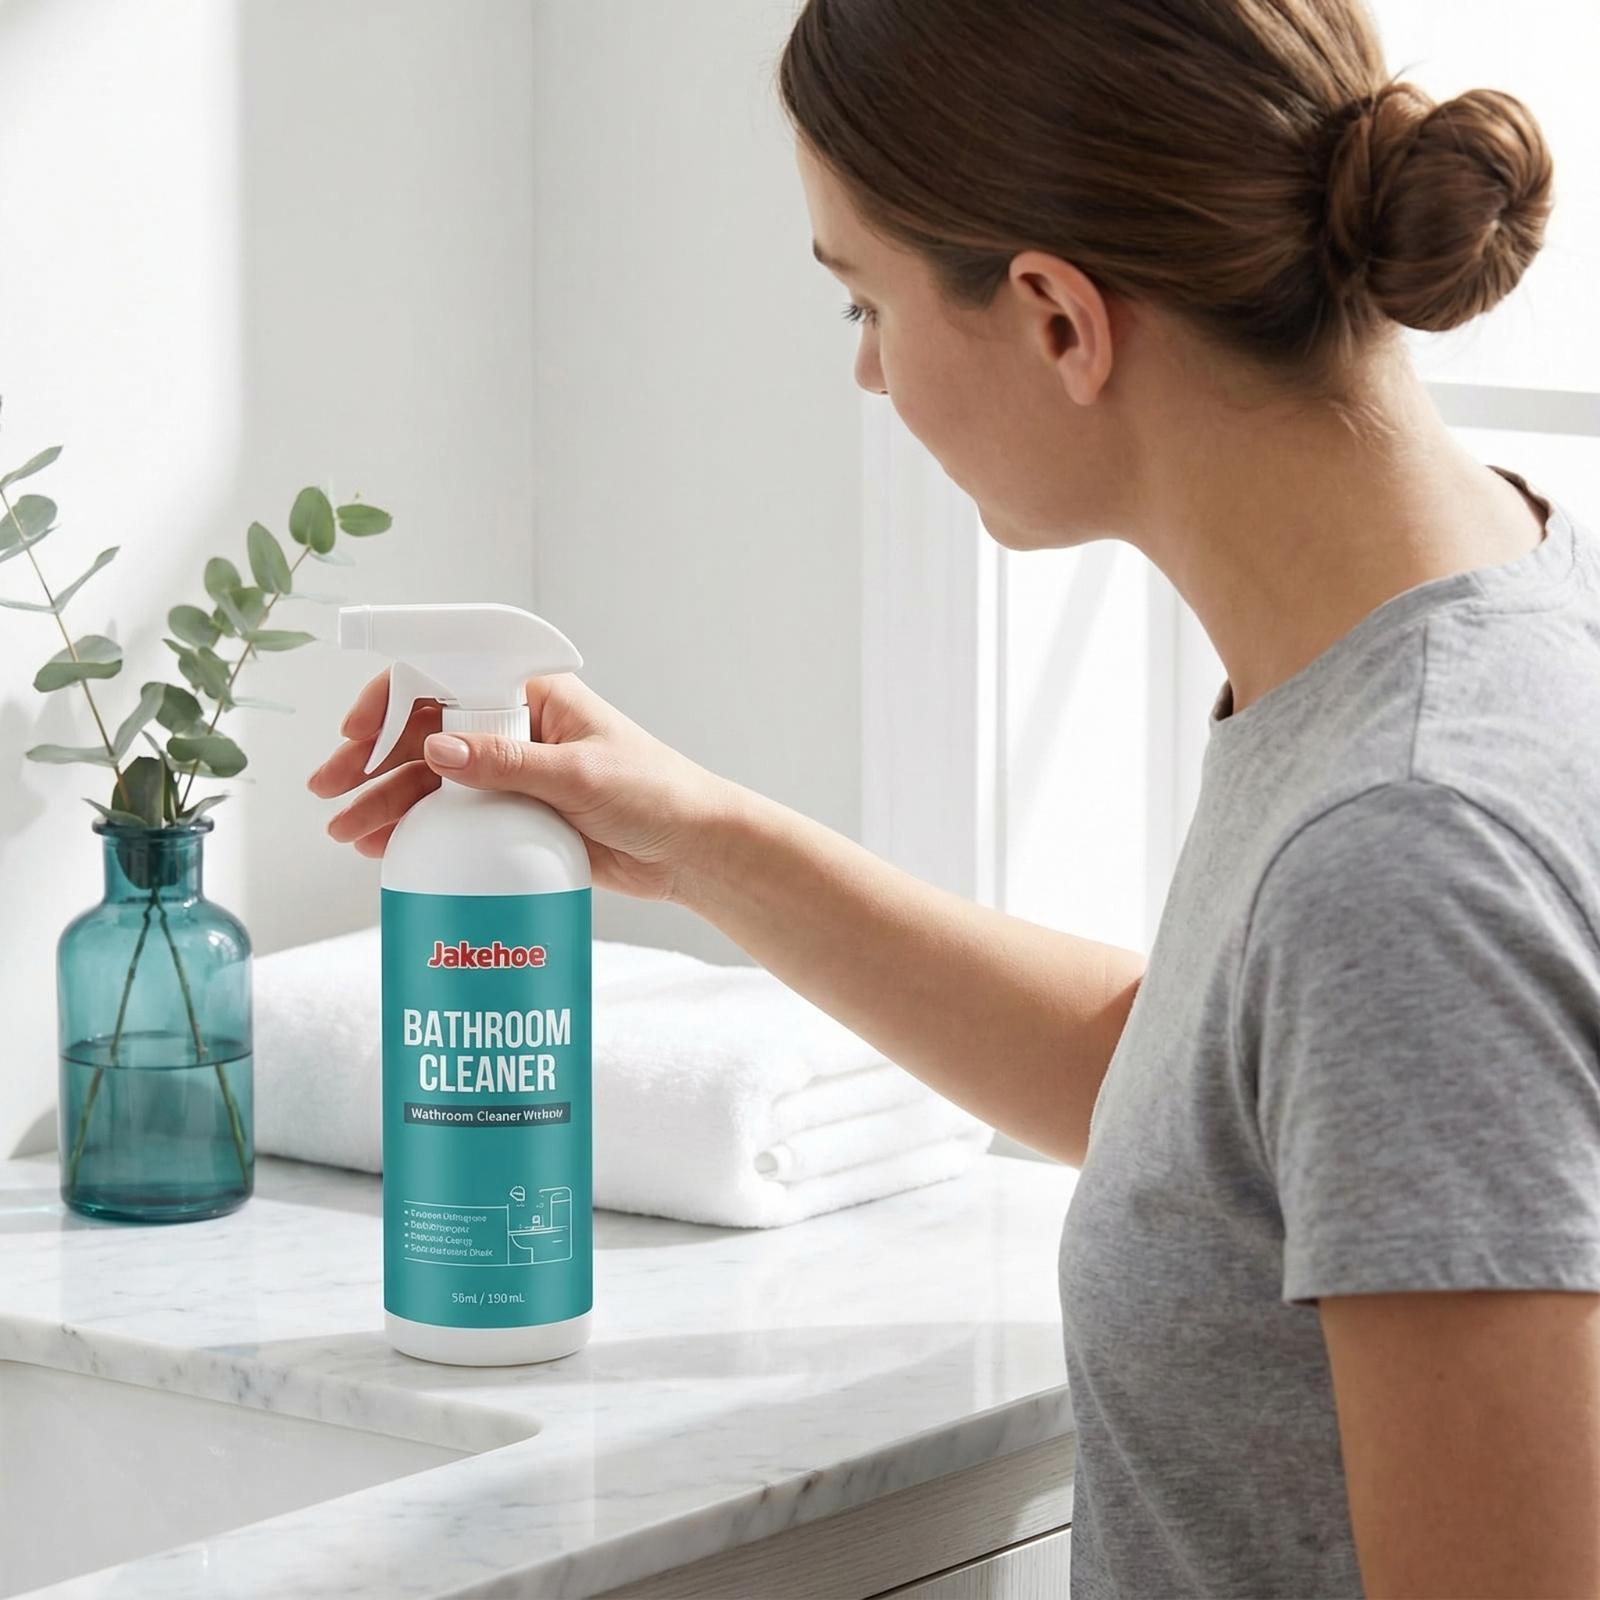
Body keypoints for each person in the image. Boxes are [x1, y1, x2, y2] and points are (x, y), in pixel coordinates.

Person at [309, 1, 1600, 1593]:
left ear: (1058, 319)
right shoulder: (1486, 612)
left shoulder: (1404, 852)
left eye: (864, 302)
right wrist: (700, 839)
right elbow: (1217, 1106)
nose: (867, 373)